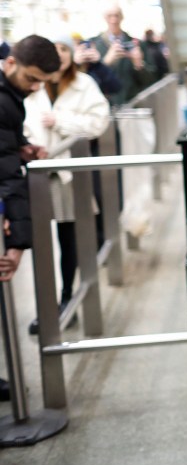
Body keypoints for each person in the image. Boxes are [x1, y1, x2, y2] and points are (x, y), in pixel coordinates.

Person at [23, 33, 110, 334]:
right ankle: (47, 306)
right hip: (33, 173)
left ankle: (65, 300)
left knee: (68, 240)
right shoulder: (31, 83)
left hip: (67, 174)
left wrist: (60, 121)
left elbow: (98, 123)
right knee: (35, 241)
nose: (58, 55)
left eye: (63, 49)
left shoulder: (84, 84)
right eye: (53, 49)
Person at [0, 35, 60, 401]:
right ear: (10, 63)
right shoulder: (4, 102)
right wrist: (18, 242)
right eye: (31, 78)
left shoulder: (10, 96)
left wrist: (21, 149)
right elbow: (6, 176)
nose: (35, 87)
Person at [88, 6, 154, 104]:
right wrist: (105, 63)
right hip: (104, 105)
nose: (113, 20)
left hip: (132, 104)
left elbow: (151, 80)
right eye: (109, 16)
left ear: (122, 18)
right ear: (104, 18)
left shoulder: (137, 44)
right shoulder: (94, 45)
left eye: (116, 16)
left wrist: (139, 65)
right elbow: (88, 81)